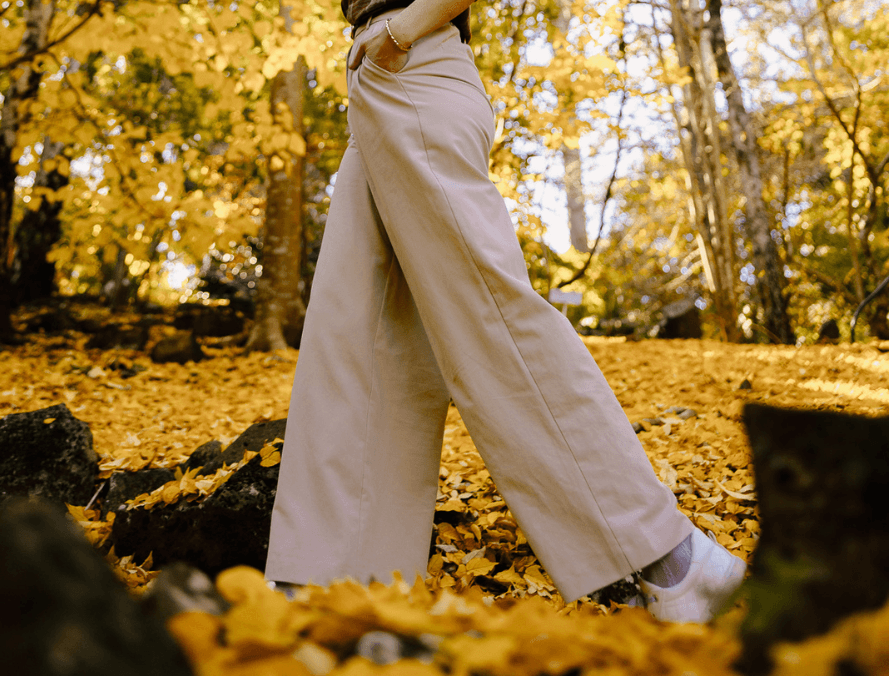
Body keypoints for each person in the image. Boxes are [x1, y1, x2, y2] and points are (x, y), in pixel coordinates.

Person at [264, 0, 746, 622]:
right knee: (355, 333)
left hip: (411, 57)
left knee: (491, 321)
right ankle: (336, 584)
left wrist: (402, 30)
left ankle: (675, 560)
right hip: (382, 77)